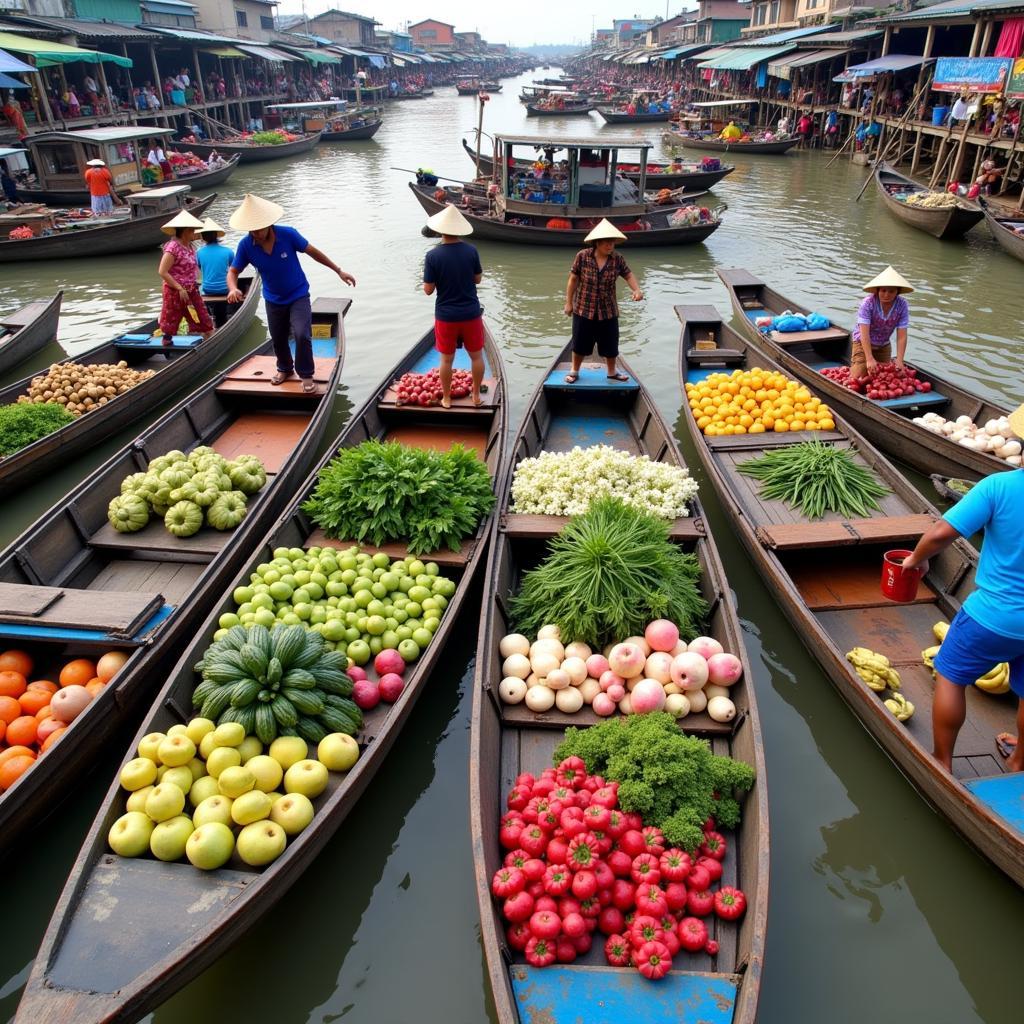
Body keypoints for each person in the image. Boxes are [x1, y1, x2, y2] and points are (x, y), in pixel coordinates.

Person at [901, 405, 1024, 774]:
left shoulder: (999, 487)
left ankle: (943, 762)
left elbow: (942, 533)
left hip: (992, 615)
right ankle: (1020, 762)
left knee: (951, 675)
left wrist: (916, 560)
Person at [226, 193, 355, 393]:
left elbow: (314, 252)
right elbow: (233, 272)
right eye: (252, 229)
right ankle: (285, 368)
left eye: (259, 228)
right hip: (273, 298)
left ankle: (306, 373)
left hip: (298, 294)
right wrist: (233, 288)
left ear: (269, 223)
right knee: (278, 337)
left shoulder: (288, 234)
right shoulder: (246, 245)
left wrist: (338, 270)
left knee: (302, 334)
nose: (256, 233)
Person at [563, 219, 643, 384]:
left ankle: (612, 372)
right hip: (584, 308)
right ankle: (574, 371)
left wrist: (636, 290)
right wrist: (568, 303)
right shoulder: (583, 257)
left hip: (608, 310)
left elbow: (628, 274)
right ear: (597, 243)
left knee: (610, 344)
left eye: (612, 242)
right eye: (607, 243)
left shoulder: (617, 259)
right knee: (579, 343)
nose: (610, 246)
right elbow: (573, 280)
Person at [422, 204, 486, 409]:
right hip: (471, 313)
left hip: (446, 315)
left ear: (440, 230)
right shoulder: (471, 250)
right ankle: (475, 395)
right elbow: (477, 279)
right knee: (476, 356)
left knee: (446, 360)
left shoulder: (433, 256)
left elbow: (428, 290)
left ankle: (447, 398)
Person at [157, 210, 214, 350]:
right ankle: (167, 341)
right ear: (186, 231)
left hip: (191, 289)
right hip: (175, 290)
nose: (196, 233)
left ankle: (209, 337)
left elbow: (190, 268)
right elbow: (162, 272)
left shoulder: (190, 246)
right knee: (171, 319)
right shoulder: (173, 247)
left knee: (202, 315)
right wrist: (179, 288)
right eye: (193, 230)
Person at [851, 266, 912, 379]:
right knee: (857, 378)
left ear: (897, 292)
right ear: (878, 290)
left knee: (886, 377)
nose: (886, 295)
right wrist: (869, 359)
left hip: (883, 345)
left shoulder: (902, 305)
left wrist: (899, 360)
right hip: (862, 343)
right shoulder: (867, 304)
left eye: (891, 291)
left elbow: (902, 336)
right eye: (883, 290)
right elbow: (864, 334)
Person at [195, 217, 234, 329]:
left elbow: (199, 268)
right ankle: (221, 322)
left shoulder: (199, 253)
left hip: (207, 289)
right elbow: (234, 270)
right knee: (235, 285)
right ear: (217, 236)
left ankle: (211, 318)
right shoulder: (228, 251)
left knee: (203, 288)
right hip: (224, 289)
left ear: (203, 237)